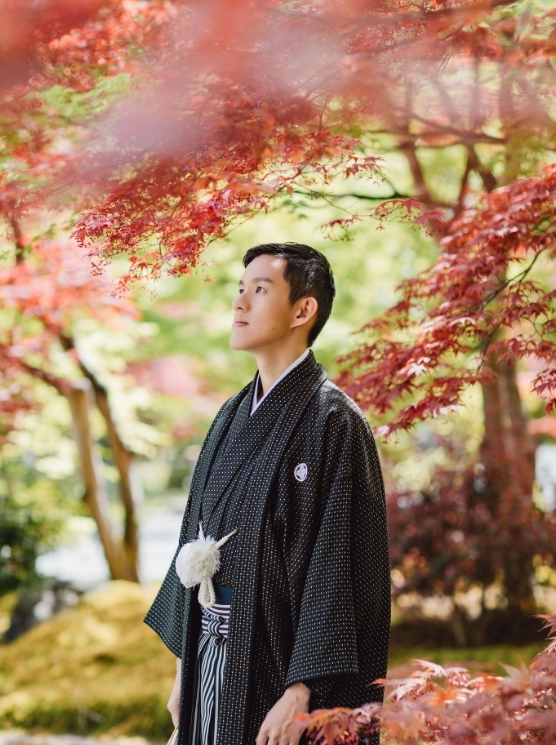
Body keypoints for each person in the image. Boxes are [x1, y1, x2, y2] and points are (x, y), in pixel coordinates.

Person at [144, 243, 390, 745]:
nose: (240, 304)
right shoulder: (229, 416)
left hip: (280, 666)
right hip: (211, 658)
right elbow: (193, 535)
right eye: (240, 290)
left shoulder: (335, 422)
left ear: (303, 309)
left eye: (260, 290)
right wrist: (182, 672)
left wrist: (301, 692)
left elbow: (340, 568)